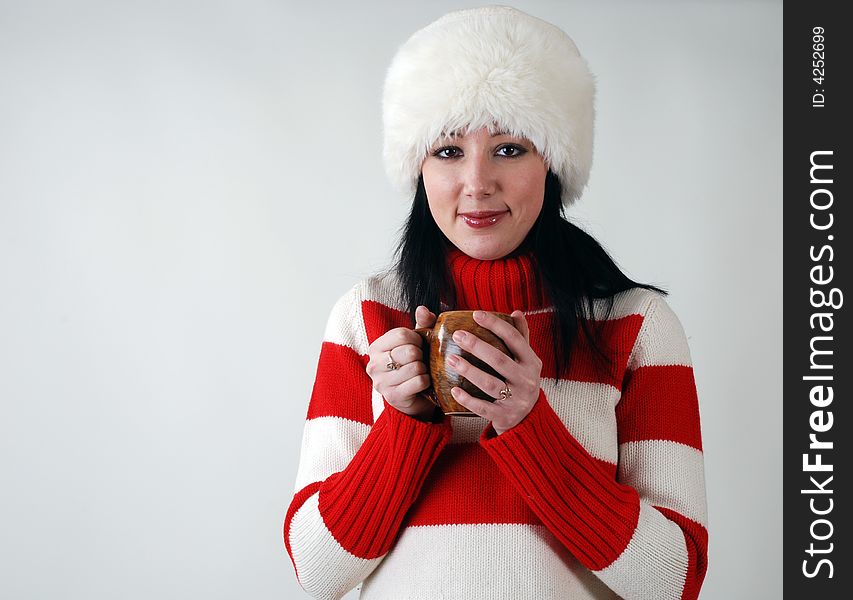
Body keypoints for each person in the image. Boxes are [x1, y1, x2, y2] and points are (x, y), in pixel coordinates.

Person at [283, 6, 708, 599]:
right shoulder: (366, 316)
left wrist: (527, 424)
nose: (477, 183)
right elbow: (316, 571)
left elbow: (675, 580)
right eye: (449, 151)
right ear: (419, 167)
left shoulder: (636, 326)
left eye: (509, 149)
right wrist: (405, 427)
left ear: (553, 163)